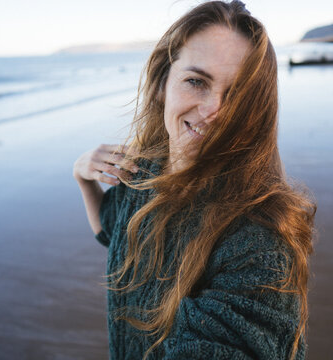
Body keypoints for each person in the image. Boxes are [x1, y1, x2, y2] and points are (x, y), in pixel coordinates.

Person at [73, 1, 316, 359]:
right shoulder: (144, 173)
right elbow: (111, 231)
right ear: (161, 84)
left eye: (236, 95)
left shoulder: (258, 238)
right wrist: (83, 178)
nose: (213, 110)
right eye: (196, 81)